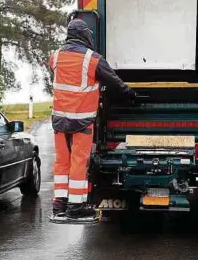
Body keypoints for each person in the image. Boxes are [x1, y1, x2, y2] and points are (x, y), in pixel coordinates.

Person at [49, 18, 136, 222]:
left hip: (59, 120)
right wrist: (130, 94)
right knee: (79, 160)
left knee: (62, 161)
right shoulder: (92, 59)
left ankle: (59, 204)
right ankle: (75, 206)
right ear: (85, 35)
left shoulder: (55, 57)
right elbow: (114, 82)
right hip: (82, 121)